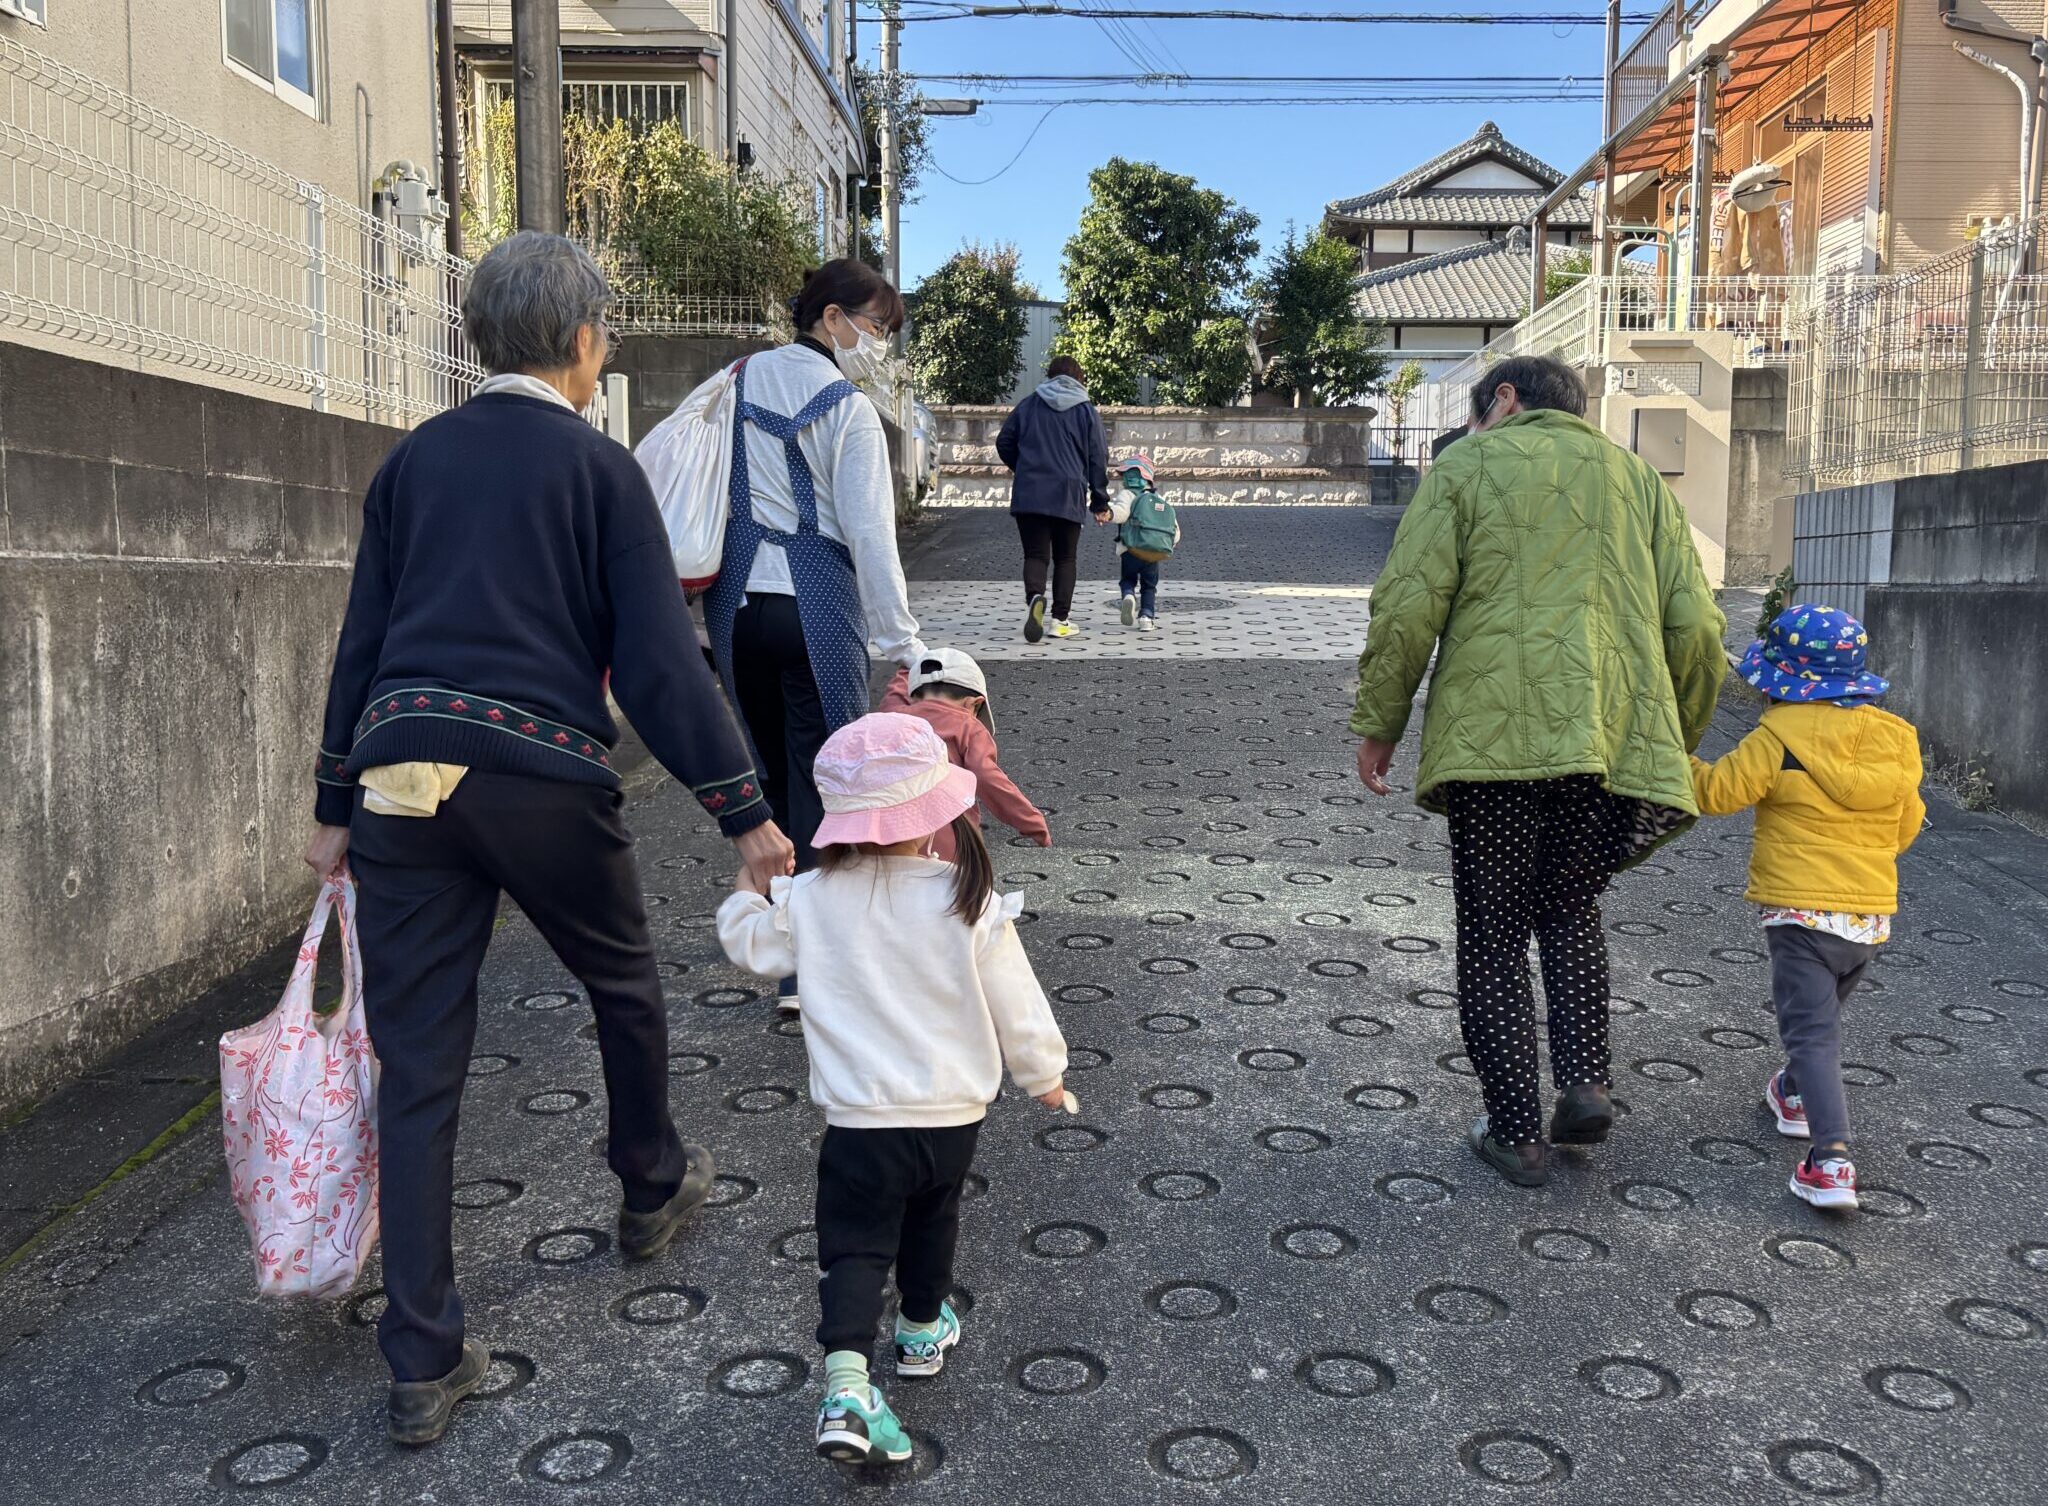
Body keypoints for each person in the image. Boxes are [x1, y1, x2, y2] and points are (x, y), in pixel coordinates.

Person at [303, 231, 796, 1446]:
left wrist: (329, 807)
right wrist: (747, 813)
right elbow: (663, 668)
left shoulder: (411, 464)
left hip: (397, 771)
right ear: (581, 343)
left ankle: (420, 1354)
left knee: (416, 1061)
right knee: (621, 983)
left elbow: (359, 641)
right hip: (537, 773)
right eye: (605, 333)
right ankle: (647, 1185)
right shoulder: (596, 468)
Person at [1349, 354, 1726, 1189]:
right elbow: (1698, 628)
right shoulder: (1637, 480)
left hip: (1495, 750)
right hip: (1609, 743)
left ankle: (1518, 1134)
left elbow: (1410, 601)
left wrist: (1382, 720)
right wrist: (1670, 737)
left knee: (1491, 935)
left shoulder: (1468, 466)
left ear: (1504, 400)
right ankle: (1586, 1083)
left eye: (1478, 413)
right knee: (1568, 905)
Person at [716, 713, 1069, 1468]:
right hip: (951, 1118)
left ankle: (847, 1386)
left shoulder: (811, 897)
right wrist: (1044, 1075)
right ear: (935, 816)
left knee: (853, 1249)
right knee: (932, 1219)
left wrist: (748, 890)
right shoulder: (964, 894)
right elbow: (1018, 999)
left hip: (858, 1122)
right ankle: (919, 1329)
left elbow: (749, 945)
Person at [701, 258, 926, 1015]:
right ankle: (814, 974)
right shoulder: (849, 410)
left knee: (769, 782)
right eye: (874, 326)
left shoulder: (731, 382)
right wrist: (902, 640)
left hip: (733, 608)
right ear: (831, 318)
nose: (877, 344)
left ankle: (783, 948)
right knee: (827, 784)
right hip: (816, 609)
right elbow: (870, 532)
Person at [1691, 604, 1925, 1211]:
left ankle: (1832, 1162)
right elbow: (1909, 823)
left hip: (1801, 914)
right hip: (1868, 918)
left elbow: (1717, 794)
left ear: (1781, 679)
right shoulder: (1897, 739)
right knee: (1819, 1025)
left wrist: (1676, 758)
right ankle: (1792, 1095)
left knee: (1812, 1035)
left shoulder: (1778, 735)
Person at [881, 648, 1051, 856]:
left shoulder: (894, 718)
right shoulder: (968, 727)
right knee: (966, 884)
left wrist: (906, 668)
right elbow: (988, 777)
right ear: (974, 704)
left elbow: (895, 693)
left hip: (891, 837)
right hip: (952, 841)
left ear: (914, 697)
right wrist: (1031, 821)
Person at [997, 355, 1110, 642]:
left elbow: (1004, 441)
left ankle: (1035, 596)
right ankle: (1060, 620)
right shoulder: (1086, 411)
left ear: (1049, 376)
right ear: (1080, 379)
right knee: (1065, 558)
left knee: (1036, 555)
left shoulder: (1029, 404)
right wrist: (1100, 502)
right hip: (1067, 493)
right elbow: (1097, 457)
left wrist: (1022, 468)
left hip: (1030, 492)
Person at [1092, 452, 1178, 631]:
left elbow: (1121, 513)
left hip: (1130, 550)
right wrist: (1169, 543)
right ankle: (1146, 617)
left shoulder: (1127, 495)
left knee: (1128, 580)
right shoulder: (1159, 499)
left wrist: (1108, 514)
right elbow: (1174, 530)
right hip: (1153, 553)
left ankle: (1129, 596)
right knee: (1149, 586)